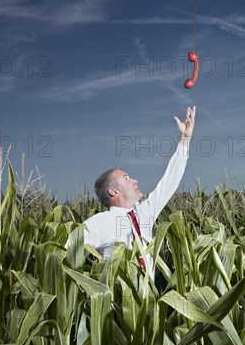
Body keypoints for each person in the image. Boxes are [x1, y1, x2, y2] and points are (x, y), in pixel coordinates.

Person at [82, 106, 196, 282]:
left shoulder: (144, 213)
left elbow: (169, 181)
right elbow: (66, 251)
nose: (135, 180)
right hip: (119, 305)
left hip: (152, 300)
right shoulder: (98, 223)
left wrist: (185, 139)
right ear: (113, 191)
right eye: (126, 178)